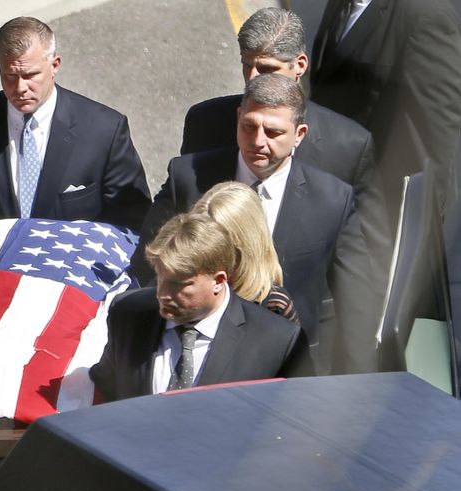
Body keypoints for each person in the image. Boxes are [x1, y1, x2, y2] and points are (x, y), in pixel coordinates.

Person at [136, 74, 375, 375]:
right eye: (249, 126)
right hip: (190, 351)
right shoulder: (188, 179)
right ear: (238, 117)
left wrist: (358, 381)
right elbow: (147, 265)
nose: (258, 141)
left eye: (273, 132)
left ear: (299, 134)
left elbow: (356, 299)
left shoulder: (332, 200)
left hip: (285, 365)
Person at [181, 7, 389, 269]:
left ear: (299, 65)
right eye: (247, 66)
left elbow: (369, 254)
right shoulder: (205, 124)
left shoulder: (348, 147)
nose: (252, 79)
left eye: (266, 68)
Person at [0, 16, 151, 240]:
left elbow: (132, 220)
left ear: (54, 65)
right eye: (10, 76)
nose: (20, 87)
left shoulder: (104, 130)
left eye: (30, 75)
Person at [89, 211, 308, 402]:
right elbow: (107, 390)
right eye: (160, 278)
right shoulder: (127, 314)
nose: (162, 294)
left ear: (218, 281)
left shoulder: (277, 342)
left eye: (178, 284)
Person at [310, 0, 461, 216]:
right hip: (330, 191)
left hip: (380, 206)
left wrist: (415, 219)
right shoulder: (340, 4)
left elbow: (433, 135)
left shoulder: (427, 14)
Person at [192, 181, 298, 324]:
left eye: (218, 247)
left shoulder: (274, 306)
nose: (207, 254)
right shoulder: (182, 290)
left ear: (244, 246)